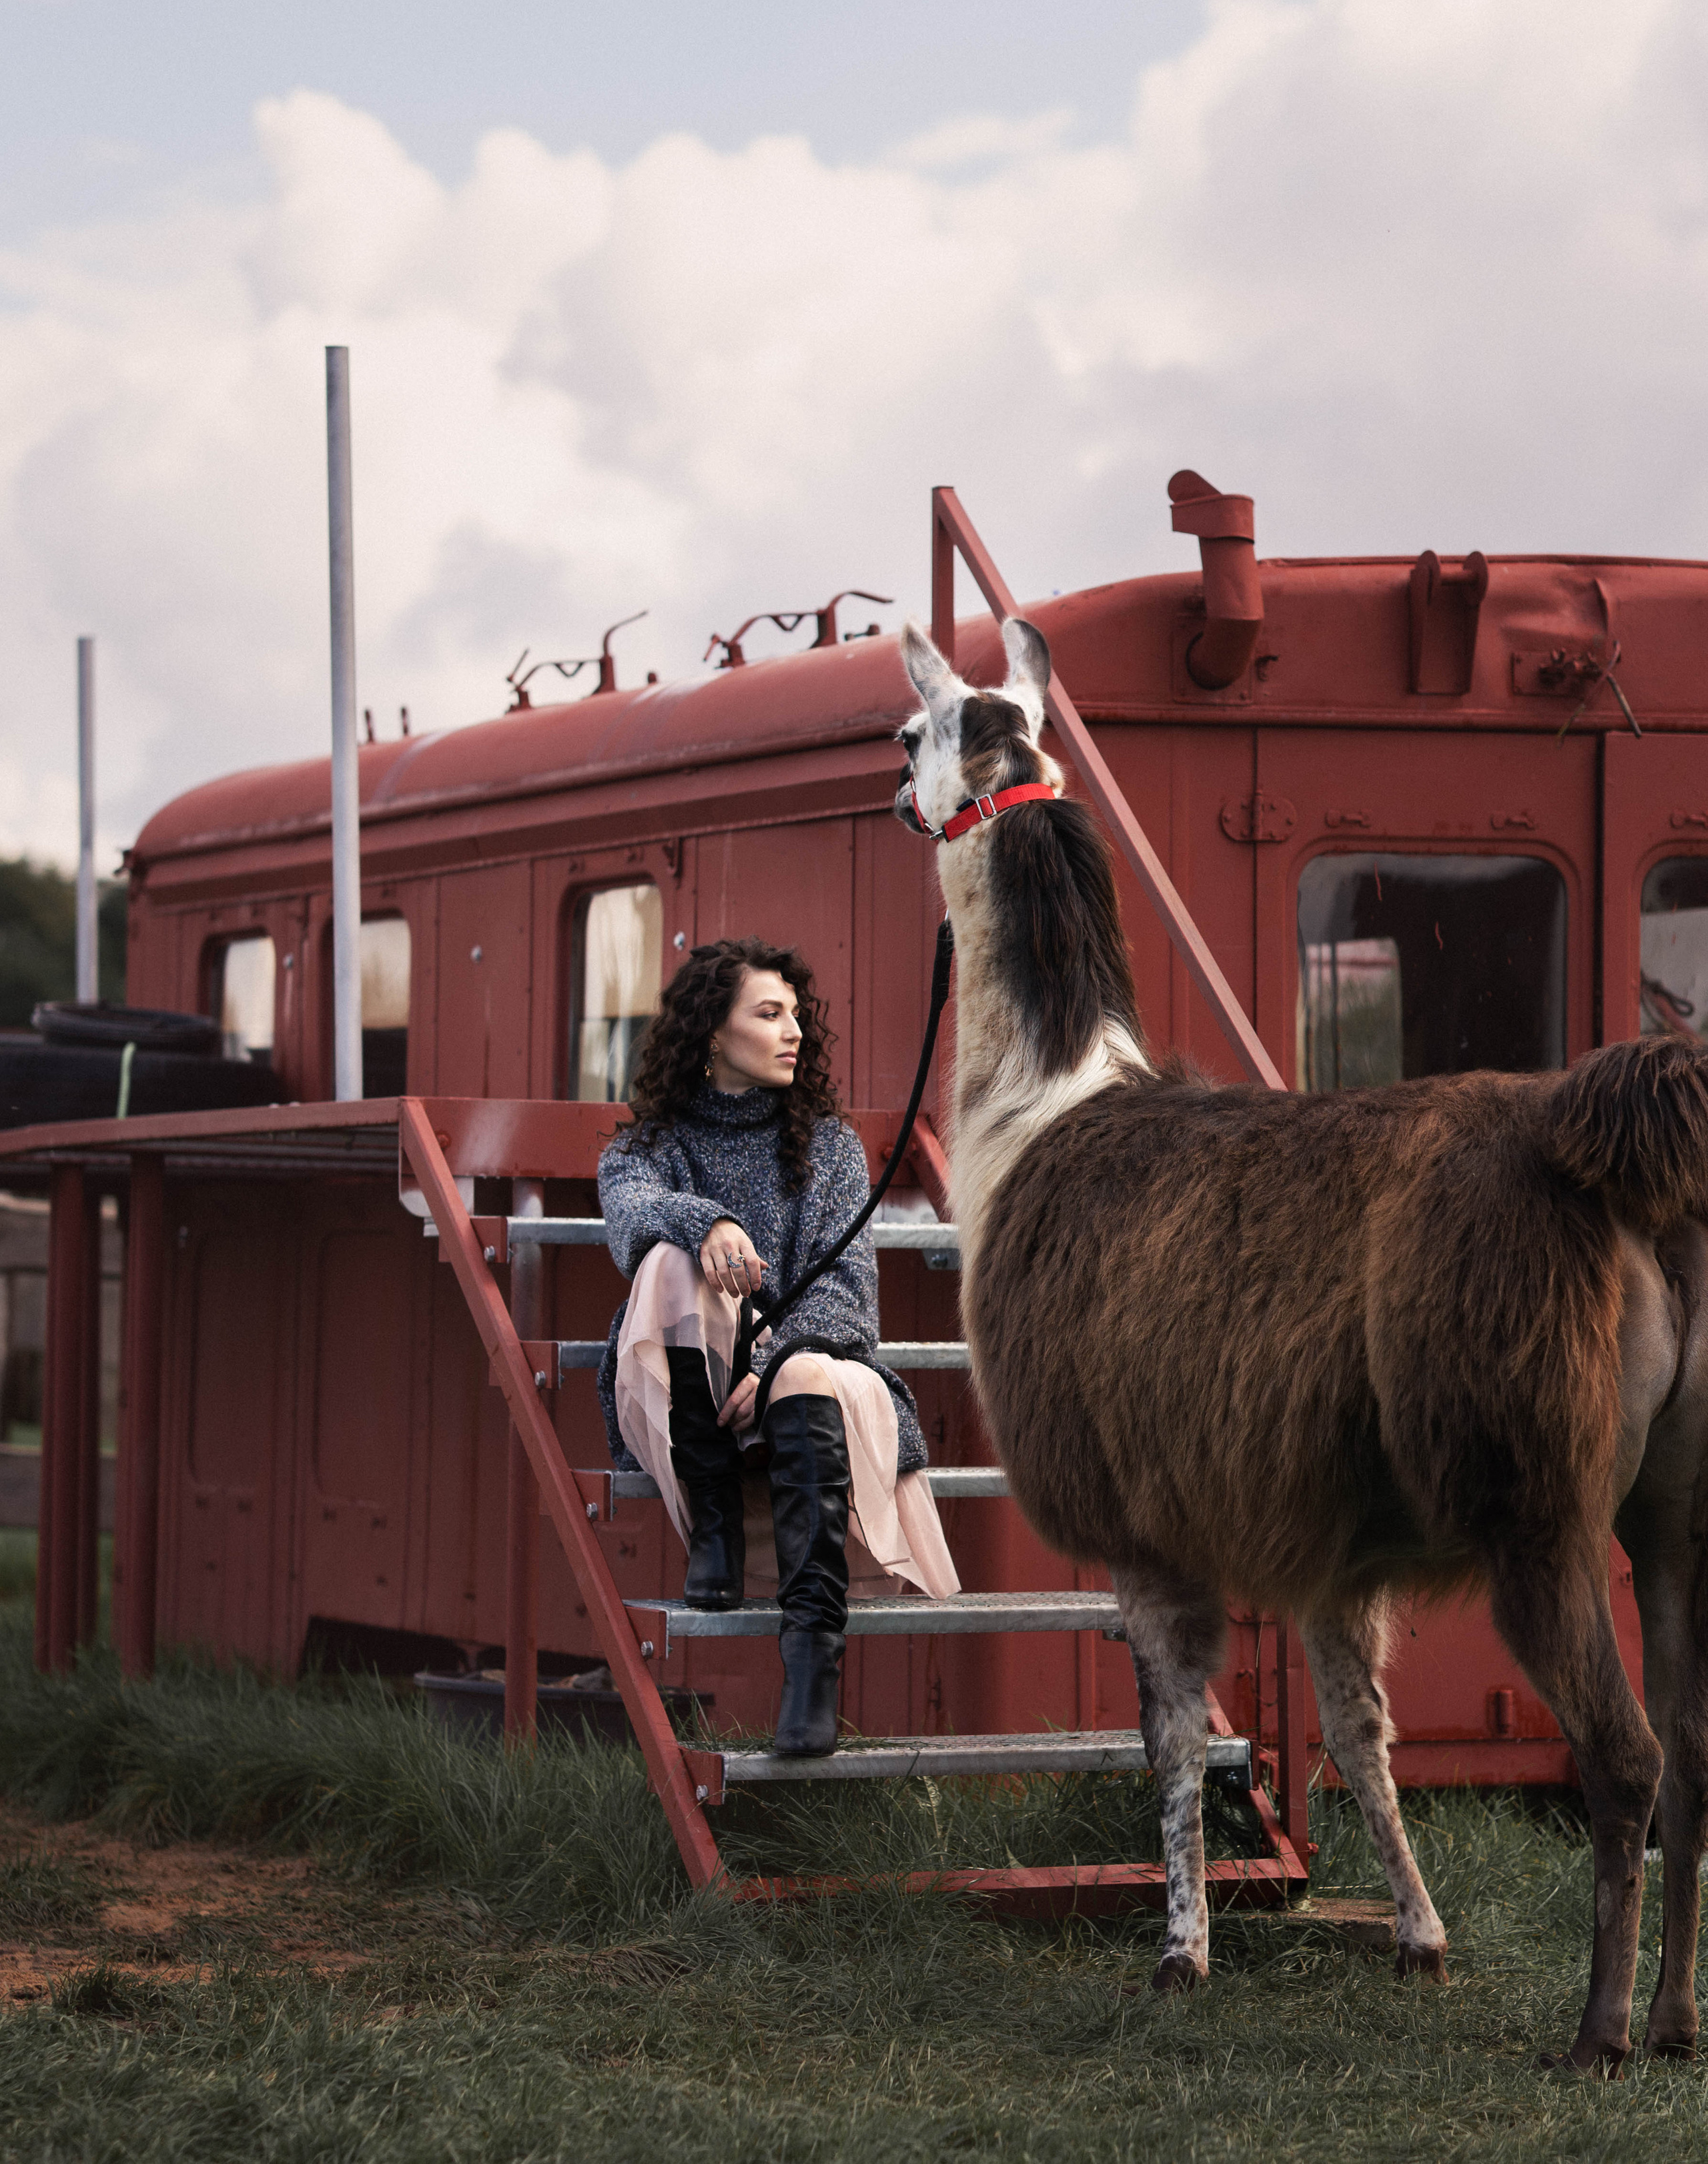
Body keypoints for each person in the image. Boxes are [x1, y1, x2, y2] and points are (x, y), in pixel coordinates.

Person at [596, 936, 958, 1756]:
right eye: (769, 1013)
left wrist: (769, 1365)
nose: (794, 1029)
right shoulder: (649, 1146)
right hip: (690, 1382)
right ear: (713, 1036)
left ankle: (810, 1670)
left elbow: (846, 1293)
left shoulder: (826, 1144)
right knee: (667, 1262)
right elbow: (630, 1209)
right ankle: (714, 1532)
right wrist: (708, 1222)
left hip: (804, 1373)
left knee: (808, 1372)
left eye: (796, 1014)